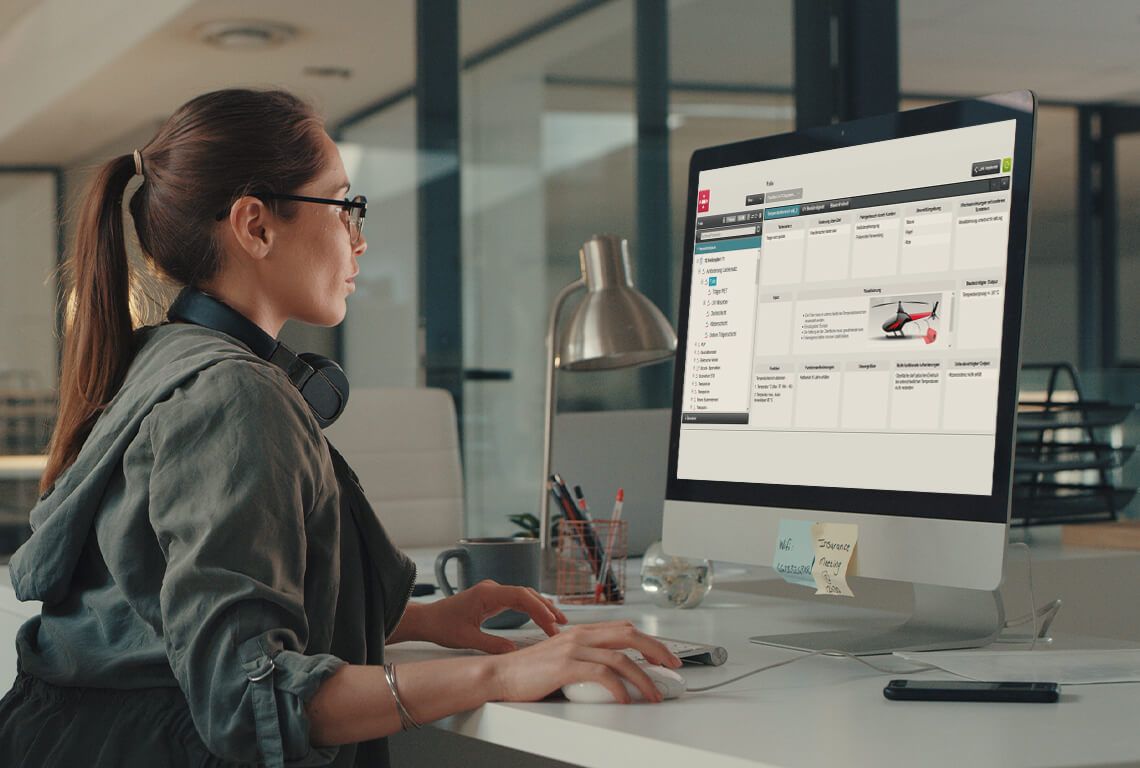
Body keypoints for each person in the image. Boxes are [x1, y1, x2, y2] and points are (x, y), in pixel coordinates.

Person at [0, 88, 680, 768]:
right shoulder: (231, 395)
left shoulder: (166, 359)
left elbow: (164, 613)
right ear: (255, 226)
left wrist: (424, 620)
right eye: (344, 205)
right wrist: (503, 674)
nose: (359, 237)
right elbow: (246, 696)